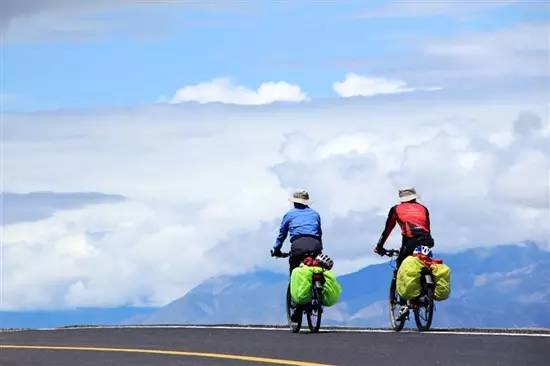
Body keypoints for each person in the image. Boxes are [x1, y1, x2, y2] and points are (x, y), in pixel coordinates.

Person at [373, 187, 434, 268]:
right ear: (415, 197)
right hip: (427, 241)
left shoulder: (396, 209)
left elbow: (387, 230)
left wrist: (379, 247)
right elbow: (427, 228)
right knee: (428, 265)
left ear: (402, 199)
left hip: (410, 242)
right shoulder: (423, 208)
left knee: (401, 267)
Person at [271, 190, 323, 274]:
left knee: (294, 274)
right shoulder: (315, 214)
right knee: (318, 271)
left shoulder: (290, 214)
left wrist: (276, 249)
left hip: (298, 246)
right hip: (315, 245)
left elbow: (282, 234)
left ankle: (292, 286)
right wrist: (320, 249)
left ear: (295, 202)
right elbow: (319, 233)